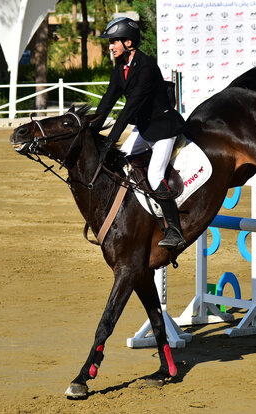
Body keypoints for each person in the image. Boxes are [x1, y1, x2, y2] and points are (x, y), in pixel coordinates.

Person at [91, 17, 187, 250]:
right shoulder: (121, 66)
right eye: (111, 42)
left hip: (164, 129)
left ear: (129, 43)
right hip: (145, 128)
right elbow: (108, 100)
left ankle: (175, 229)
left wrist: (110, 140)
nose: (111, 46)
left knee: (155, 176)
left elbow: (129, 108)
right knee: (119, 161)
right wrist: (91, 129)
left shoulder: (146, 67)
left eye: (114, 41)